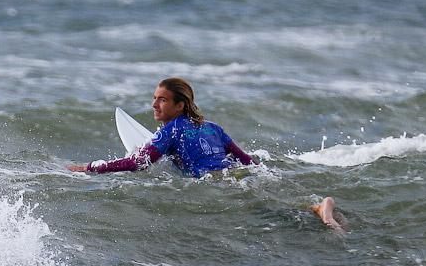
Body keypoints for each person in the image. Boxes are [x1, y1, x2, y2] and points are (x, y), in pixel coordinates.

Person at [67, 77, 343, 231]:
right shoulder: (213, 128)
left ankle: (318, 210)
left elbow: (137, 163)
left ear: (179, 105)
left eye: (162, 99)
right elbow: (249, 162)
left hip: (215, 182)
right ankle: (318, 207)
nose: (154, 104)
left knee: (264, 211)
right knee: (269, 200)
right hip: (236, 174)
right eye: (154, 98)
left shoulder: (170, 132)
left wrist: (89, 167)